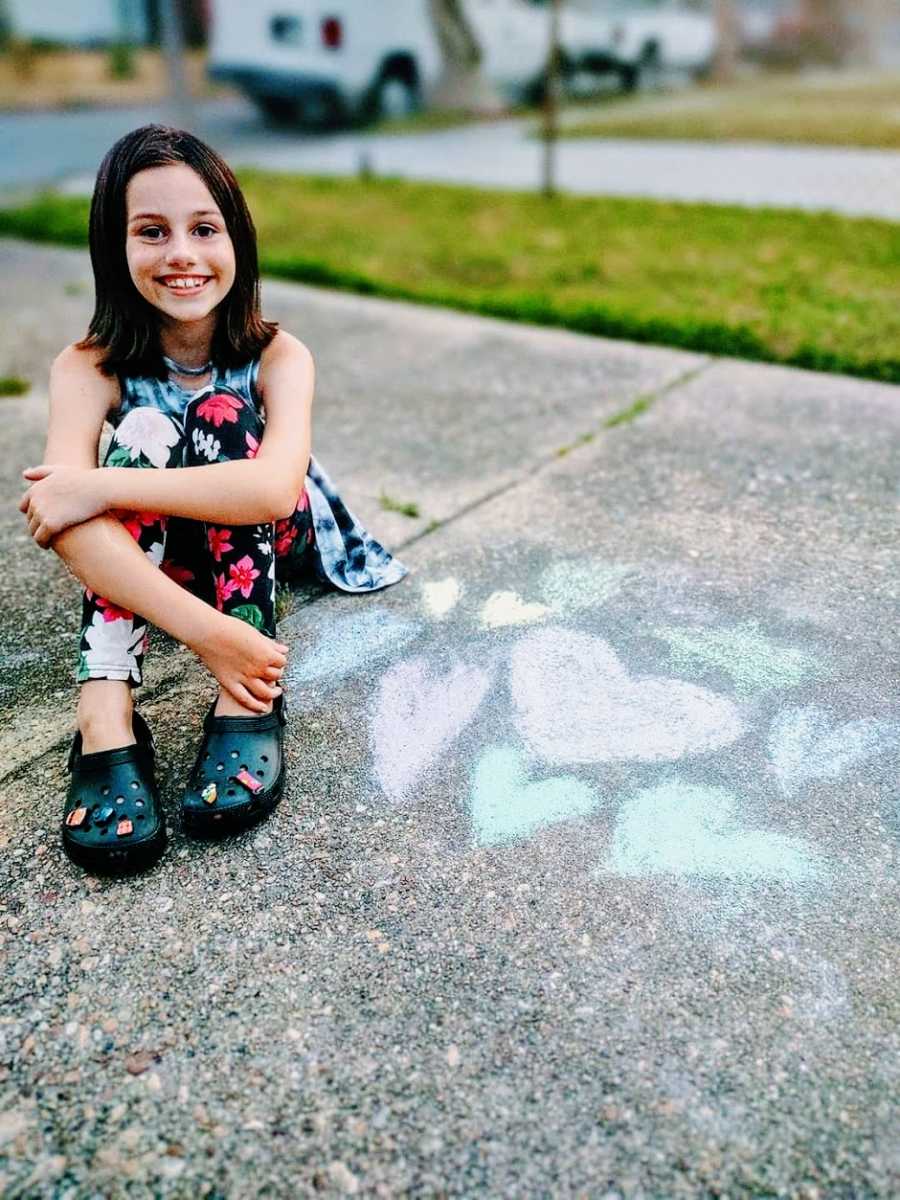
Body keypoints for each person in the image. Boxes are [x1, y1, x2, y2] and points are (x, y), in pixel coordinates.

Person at [18, 124, 407, 876]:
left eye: (204, 228)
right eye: (151, 232)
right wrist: (208, 637)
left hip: (269, 537)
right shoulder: (87, 365)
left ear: (239, 240)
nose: (182, 255)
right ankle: (104, 714)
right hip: (169, 564)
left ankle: (245, 703)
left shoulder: (277, 355)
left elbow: (269, 491)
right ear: (114, 247)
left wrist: (98, 483)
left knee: (216, 425)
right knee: (143, 427)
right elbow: (59, 522)